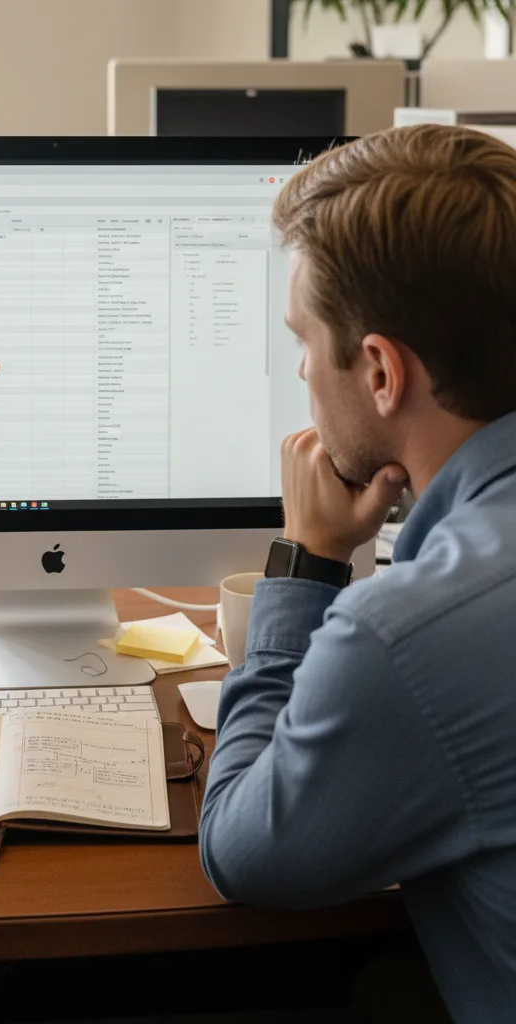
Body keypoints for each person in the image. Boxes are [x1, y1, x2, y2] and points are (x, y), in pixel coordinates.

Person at [198, 124, 516, 1022]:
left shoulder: (412, 637)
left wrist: (310, 562)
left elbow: (244, 855)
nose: (301, 367)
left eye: (304, 338)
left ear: (380, 369)